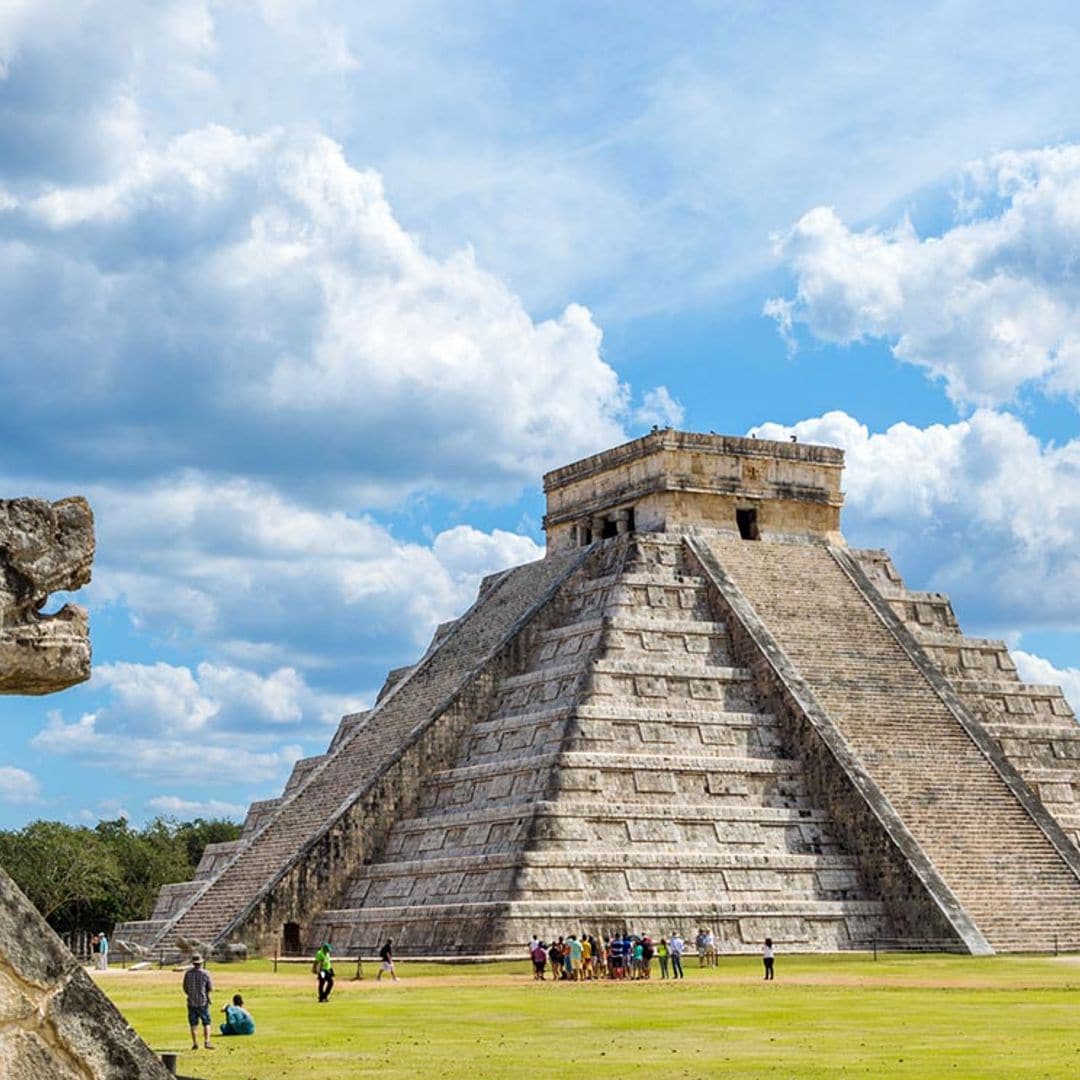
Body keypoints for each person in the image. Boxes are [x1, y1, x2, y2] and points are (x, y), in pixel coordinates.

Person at [182, 954, 215, 1051]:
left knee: (193, 1024)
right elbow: (210, 988)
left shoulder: (188, 974)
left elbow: (185, 987)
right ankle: (207, 1041)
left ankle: (195, 1043)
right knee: (206, 1022)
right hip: (203, 1001)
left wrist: (191, 994)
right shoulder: (206, 973)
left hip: (191, 1002)